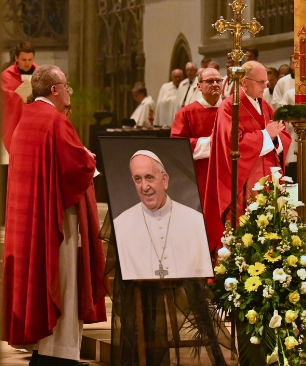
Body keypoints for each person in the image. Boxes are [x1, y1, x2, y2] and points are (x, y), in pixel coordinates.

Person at [2, 66, 106, 366]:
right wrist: (89, 158)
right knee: (64, 278)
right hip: (58, 218)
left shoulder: (25, 119)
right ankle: (59, 353)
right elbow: (76, 167)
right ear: (55, 90)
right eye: (66, 86)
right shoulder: (56, 121)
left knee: (39, 279)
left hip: (33, 219)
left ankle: (40, 349)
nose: (69, 91)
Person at [203, 61, 292, 251]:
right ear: (244, 82)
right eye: (260, 82)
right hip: (244, 182)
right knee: (247, 237)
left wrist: (274, 137)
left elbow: (281, 133)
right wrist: (266, 135)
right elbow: (234, 145)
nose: (264, 86)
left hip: (269, 179)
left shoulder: (264, 105)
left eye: (266, 82)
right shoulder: (229, 107)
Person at [112, 151, 213, 280]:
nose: (144, 187)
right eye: (138, 179)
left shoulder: (196, 221)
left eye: (149, 177)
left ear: (164, 180)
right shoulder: (120, 225)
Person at [170, 66, 223, 203]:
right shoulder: (186, 113)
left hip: (227, 175)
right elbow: (177, 146)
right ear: (199, 86)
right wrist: (210, 143)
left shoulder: (232, 111)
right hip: (199, 177)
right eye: (210, 81)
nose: (215, 84)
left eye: (218, 81)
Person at [1, 41, 37, 152]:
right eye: (24, 60)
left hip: (36, 122)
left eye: (30, 59)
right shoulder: (6, 76)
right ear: (16, 58)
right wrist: (18, 98)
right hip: (16, 123)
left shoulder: (40, 74)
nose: (27, 63)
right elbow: (2, 100)